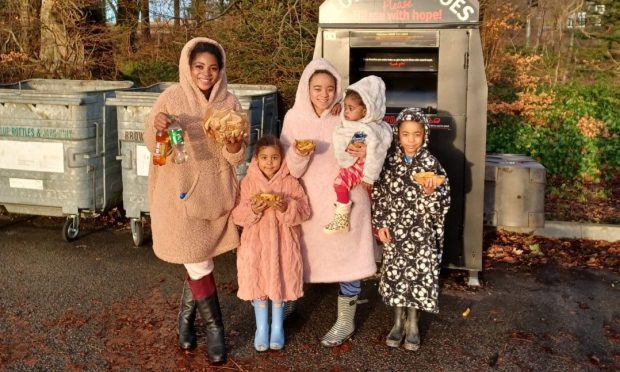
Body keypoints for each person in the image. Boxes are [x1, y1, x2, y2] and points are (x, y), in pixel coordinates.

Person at [143, 37, 247, 364]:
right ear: (188, 67)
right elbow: (158, 155)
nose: (206, 74)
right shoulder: (170, 99)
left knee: (198, 259)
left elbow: (237, 158)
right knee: (198, 261)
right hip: (179, 198)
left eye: (213, 69)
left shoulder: (230, 104)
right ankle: (215, 328)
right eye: (199, 67)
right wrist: (159, 131)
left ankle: (185, 321)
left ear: (221, 71)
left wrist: (232, 144)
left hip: (216, 198)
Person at [279, 58, 377, 347]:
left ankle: (345, 320)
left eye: (330, 88)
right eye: (317, 88)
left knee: (349, 257)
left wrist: (363, 150)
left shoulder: (348, 115)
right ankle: (290, 301)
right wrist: (299, 153)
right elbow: (290, 170)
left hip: (346, 200)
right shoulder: (293, 118)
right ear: (305, 89)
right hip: (309, 201)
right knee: (299, 255)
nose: (324, 94)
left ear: (338, 89)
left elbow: (372, 139)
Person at [371, 107, 451, 351]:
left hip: (421, 230)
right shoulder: (389, 162)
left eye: (417, 134)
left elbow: (444, 202)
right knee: (395, 274)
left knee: (417, 275)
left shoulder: (431, 164)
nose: (411, 140)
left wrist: (429, 194)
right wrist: (380, 224)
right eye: (406, 134)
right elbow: (380, 194)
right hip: (395, 230)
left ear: (425, 134)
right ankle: (397, 322)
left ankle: (413, 323)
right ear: (398, 134)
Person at [231, 135, 311, 352]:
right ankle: (261, 327)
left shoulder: (290, 182)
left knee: (280, 283)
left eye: (275, 157)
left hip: (282, 243)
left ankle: (277, 326)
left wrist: (286, 207)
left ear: (282, 159)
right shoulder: (247, 182)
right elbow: (237, 215)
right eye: (264, 157)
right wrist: (253, 210)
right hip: (255, 244)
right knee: (259, 283)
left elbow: (304, 210)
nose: (269, 162)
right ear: (256, 158)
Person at [324, 75, 392, 234]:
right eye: (345, 106)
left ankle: (341, 219)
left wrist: (368, 176)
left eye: (350, 108)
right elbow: (352, 147)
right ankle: (375, 227)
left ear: (365, 110)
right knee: (370, 201)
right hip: (357, 163)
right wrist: (339, 106)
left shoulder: (365, 129)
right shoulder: (358, 123)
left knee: (340, 184)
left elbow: (374, 154)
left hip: (362, 167)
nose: (346, 111)